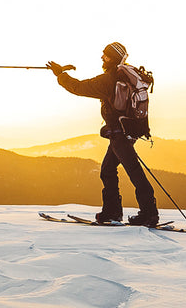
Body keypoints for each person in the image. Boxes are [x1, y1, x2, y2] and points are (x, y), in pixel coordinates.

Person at [46, 42, 159, 226]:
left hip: (119, 133)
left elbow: (79, 87)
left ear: (112, 58)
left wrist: (61, 75)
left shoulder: (109, 79)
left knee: (131, 171)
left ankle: (144, 214)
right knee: (109, 169)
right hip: (129, 131)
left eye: (105, 55)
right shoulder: (126, 74)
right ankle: (118, 212)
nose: (102, 58)